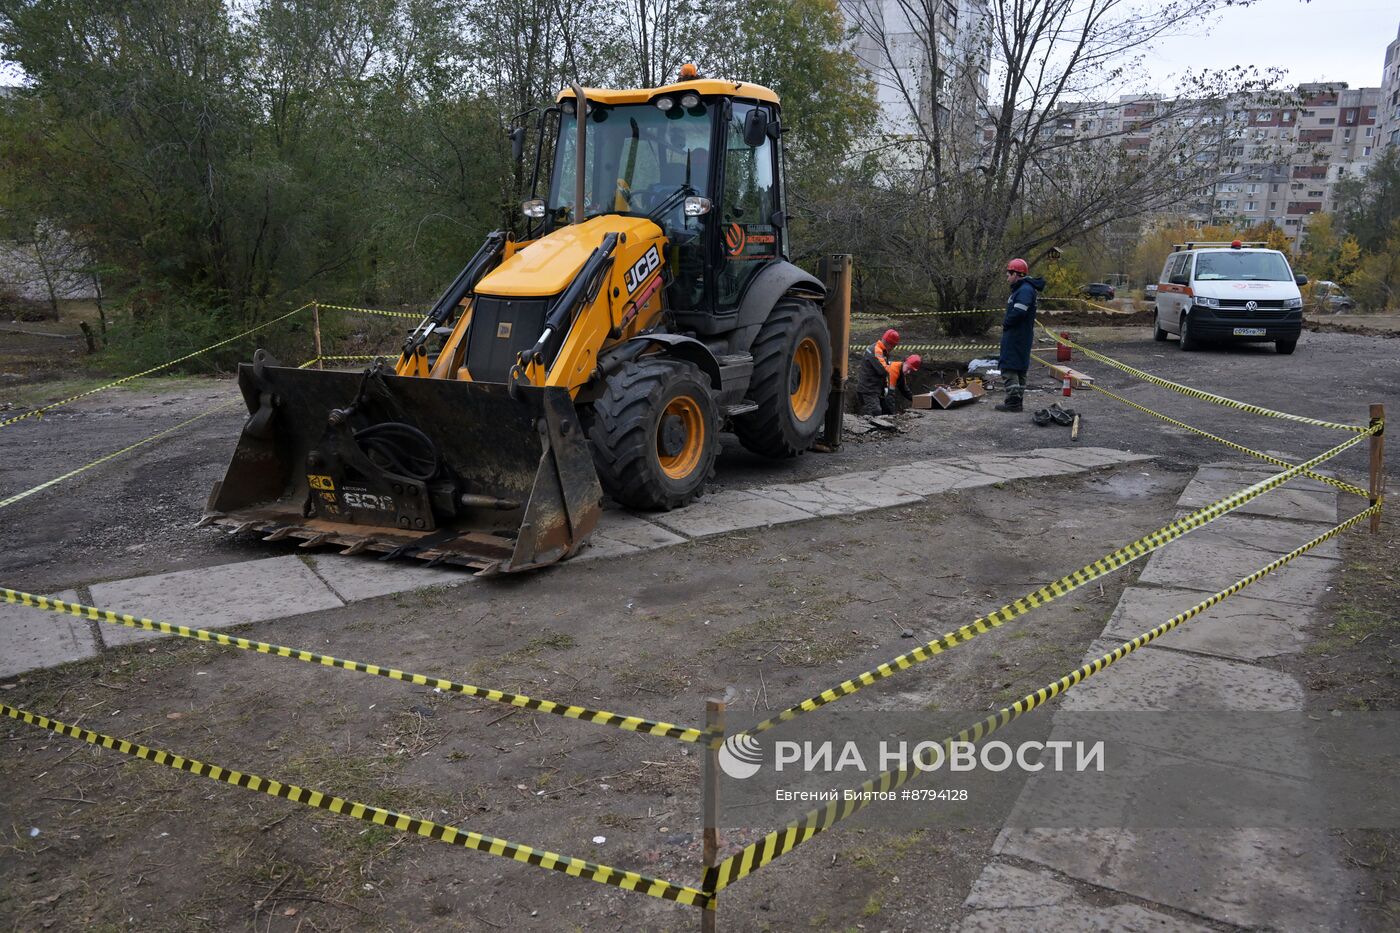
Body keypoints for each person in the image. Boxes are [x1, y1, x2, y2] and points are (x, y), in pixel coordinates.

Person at [995, 258, 1045, 413]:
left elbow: (1019, 312)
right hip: (1021, 335)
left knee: (1009, 366)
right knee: (1019, 367)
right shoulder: (1025, 289)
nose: (1007, 278)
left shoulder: (1024, 290)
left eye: (1009, 274)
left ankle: (1013, 402)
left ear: (1016, 274)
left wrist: (1006, 323)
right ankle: (1016, 401)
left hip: (1016, 335)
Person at [856, 329, 921, 415]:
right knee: (875, 411)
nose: (892, 349)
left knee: (878, 411)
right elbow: (883, 370)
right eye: (893, 346)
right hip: (868, 389)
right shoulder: (877, 350)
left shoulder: (883, 351)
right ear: (890, 344)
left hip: (873, 389)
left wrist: (918, 401)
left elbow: (904, 389)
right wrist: (892, 414)